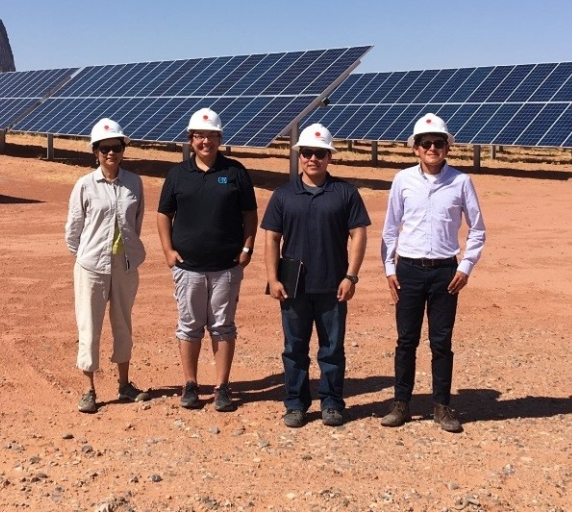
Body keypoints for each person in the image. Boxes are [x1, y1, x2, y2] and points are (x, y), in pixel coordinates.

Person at [379, 113, 487, 433]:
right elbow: (389, 230)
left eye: (439, 143)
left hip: (445, 273)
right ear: (415, 149)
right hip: (408, 270)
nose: (432, 148)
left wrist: (466, 267)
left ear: (447, 148)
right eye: (425, 143)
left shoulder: (461, 182)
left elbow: (478, 230)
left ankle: (442, 405)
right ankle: (401, 403)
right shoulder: (402, 181)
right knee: (406, 340)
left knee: (441, 341)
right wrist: (389, 268)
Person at [262, 124, 370, 428]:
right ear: (300, 156)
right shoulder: (283, 195)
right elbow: (271, 238)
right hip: (294, 287)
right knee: (294, 349)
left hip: (333, 285)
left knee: (332, 349)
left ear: (329, 157)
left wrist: (351, 276)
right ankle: (295, 404)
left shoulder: (345, 192)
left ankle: (332, 402)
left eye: (319, 153)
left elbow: (358, 234)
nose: (313, 158)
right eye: (307, 152)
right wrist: (273, 278)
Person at [157, 107, 257, 412]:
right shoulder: (177, 175)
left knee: (223, 326)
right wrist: (168, 251)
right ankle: (190, 384)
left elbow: (250, 214)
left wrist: (247, 249)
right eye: (200, 135)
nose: (205, 141)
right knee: (189, 326)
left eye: (211, 135)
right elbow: (164, 214)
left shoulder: (235, 172)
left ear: (219, 138)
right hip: (187, 267)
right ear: (190, 139)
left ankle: (221, 387)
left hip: (227, 266)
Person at [65, 118, 150, 413]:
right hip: (91, 266)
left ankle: (124, 385)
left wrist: (124, 253)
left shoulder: (134, 183)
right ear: (96, 152)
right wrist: (87, 257)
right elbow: (73, 231)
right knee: (89, 326)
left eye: (115, 147)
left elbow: (135, 222)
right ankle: (89, 390)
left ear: (123, 150)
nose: (110, 153)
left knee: (123, 323)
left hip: (124, 265)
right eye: (104, 148)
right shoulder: (85, 185)